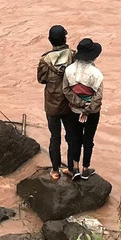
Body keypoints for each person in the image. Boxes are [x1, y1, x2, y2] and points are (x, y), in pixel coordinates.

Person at [36, 25, 74, 181]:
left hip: (52, 105)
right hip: (69, 103)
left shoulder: (45, 60)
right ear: (65, 39)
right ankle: (71, 168)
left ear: (50, 40)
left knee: (55, 137)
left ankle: (55, 170)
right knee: (72, 137)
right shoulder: (73, 56)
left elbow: (41, 79)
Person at [62, 38, 103, 181]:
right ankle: (86, 168)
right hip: (91, 113)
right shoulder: (96, 74)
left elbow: (66, 90)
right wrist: (87, 109)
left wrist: (78, 104)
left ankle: (75, 168)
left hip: (74, 111)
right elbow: (98, 97)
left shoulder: (69, 70)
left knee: (75, 139)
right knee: (88, 140)